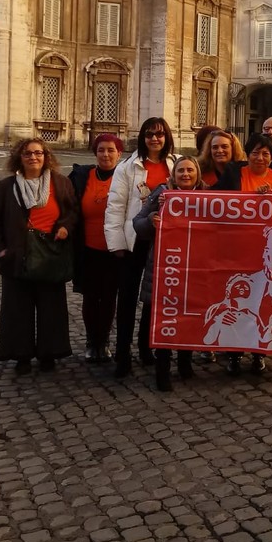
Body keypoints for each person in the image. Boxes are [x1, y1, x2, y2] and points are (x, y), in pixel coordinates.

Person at [0, 138, 78, 375]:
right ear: (19, 157)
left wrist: (65, 227)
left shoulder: (61, 183)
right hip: (17, 255)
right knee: (18, 309)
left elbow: (72, 212)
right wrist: (1, 249)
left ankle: (49, 353)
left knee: (51, 308)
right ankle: (21, 355)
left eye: (38, 153)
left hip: (50, 254)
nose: (33, 157)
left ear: (46, 156)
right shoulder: (6, 187)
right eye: (27, 153)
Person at [104, 117, 178, 378]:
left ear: (167, 137)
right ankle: (123, 354)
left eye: (159, 134)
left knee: (153, 298)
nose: (154, 139)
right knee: (127, 298)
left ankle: (147, 347)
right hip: (134, 240)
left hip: (165, 242)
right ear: (143, 138)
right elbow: (115, 206)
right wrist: (117, 243)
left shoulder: (175, 163)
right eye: (149, 134)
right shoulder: (127, 167)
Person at [211, 133, 272, 374]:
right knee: (237, 302)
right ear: (247, 154)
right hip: (238, 247)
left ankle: (259, 352)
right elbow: (214, 198)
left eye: (266, 153)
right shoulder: (234, 173)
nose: (260, 157)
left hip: (268, 252)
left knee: (263, 303)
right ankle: (234, 353)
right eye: (255, 152)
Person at [132, 156, 204, 391]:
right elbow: (138, 222)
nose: (185, 174)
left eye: (190, 170)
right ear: (174, 175)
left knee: (189, 316)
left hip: (194, 268)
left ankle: (185, 363)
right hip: (165, 265)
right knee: (165, 317)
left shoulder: (208, 196)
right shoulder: (162, 193)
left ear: (197, 174)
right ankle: (162, 369)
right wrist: (152, 219)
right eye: (181, 170)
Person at [68, 133, 124, 363]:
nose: (106, 154)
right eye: (101, 150)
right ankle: (92, 341)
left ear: (119, 154)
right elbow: (67, 204)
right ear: (95, 153)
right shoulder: (82, 176)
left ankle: (105, 341)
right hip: (87, 248)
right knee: (90, 297)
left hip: (115, 250)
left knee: (109, 297)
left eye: (111, 150)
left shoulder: (125, 177)